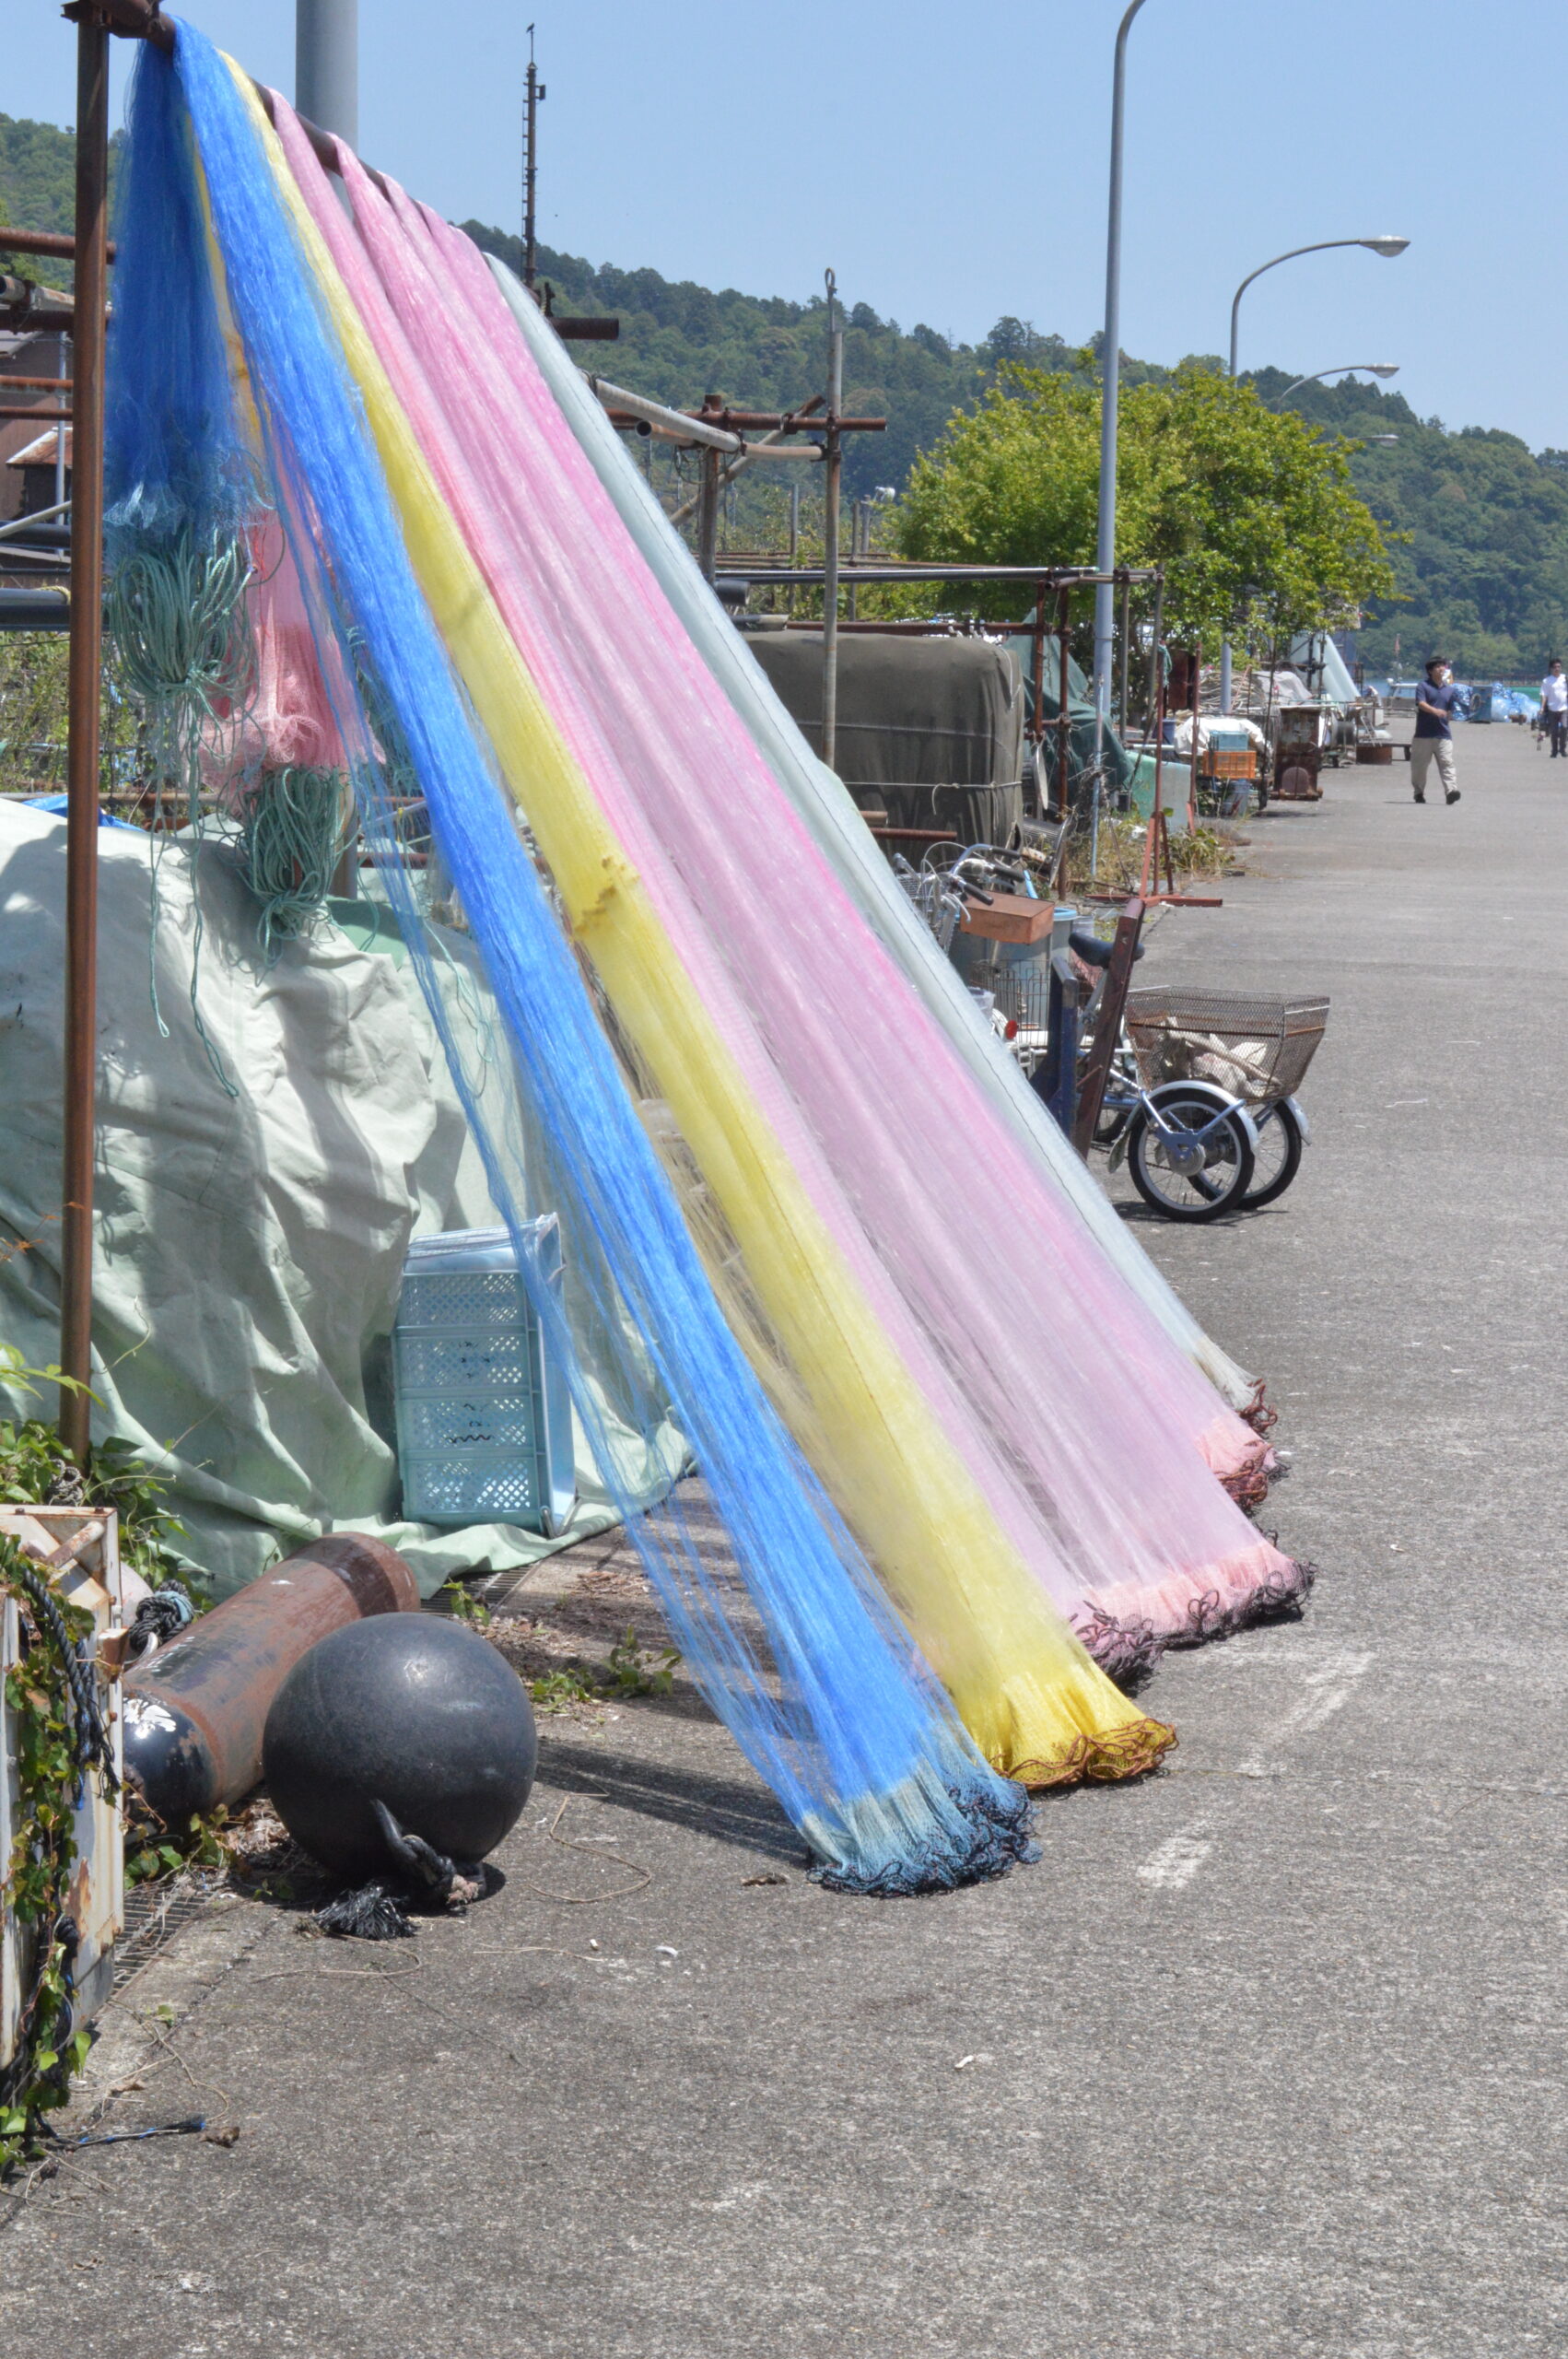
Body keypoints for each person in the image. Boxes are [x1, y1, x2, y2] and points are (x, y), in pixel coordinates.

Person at [1411, 657, 1461, 804]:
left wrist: (1447, 716)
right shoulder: (1423, 686)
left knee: (1447, 763)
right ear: (1430, 671)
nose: (1442, 669)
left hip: (1443, 734)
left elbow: (1450, 710)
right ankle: (1418, 793)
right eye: (1438, 666)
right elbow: (1421, 703)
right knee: (1419, 767)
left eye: (1443, 666)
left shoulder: (1449, 690)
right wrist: (1435, 711)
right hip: (1423, 734)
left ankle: (1451, 791)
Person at [1541, 658, 1568, 757]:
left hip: (1564, 708)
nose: (1557, 669)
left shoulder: (1565, 679)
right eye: (1555, 667)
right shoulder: (1547, 681)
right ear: (1551, 668)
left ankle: (1562, 749)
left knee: (1565, 728)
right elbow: (1544, 695)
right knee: (1554, 731)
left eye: (1559, 667)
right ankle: (1554, 750)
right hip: (1552, 709)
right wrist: (1542, 708)